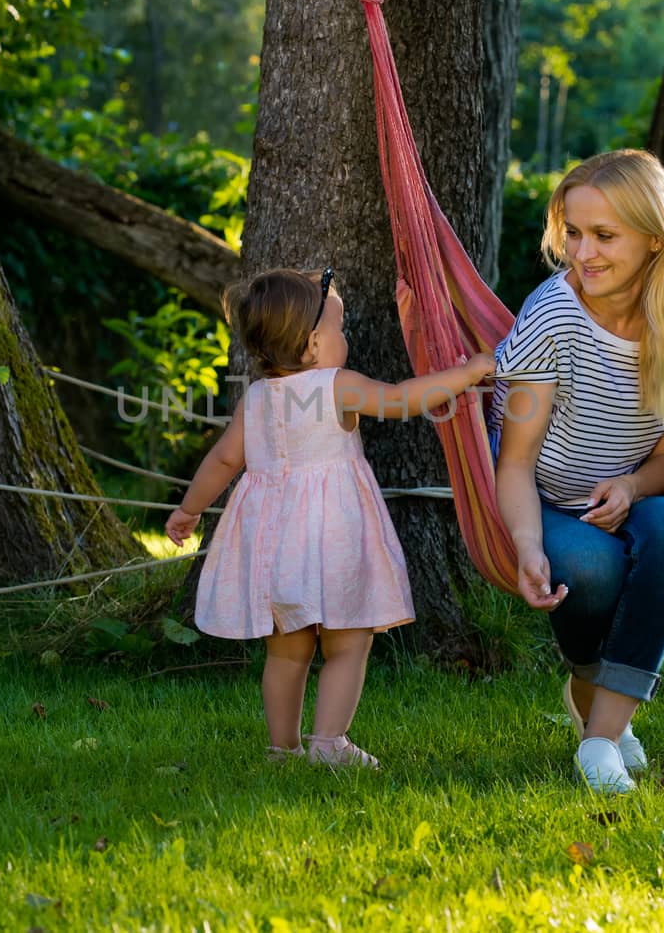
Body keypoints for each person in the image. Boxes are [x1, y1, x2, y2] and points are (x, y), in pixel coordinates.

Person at [166, 267, 494, 769]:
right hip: (334, 542)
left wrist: (190, 509)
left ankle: (283, 748)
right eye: (339, 331)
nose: (346, 341)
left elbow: (224, 461)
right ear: (314, 345)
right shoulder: (335, 384)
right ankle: (329, 743)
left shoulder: (255, 398)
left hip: (276, 550)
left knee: (286, 654)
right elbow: (404, 398)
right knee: (347, 644)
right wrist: (468, 373)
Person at [492, 149, 664, 794]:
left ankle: (599, 739)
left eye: (604, 235)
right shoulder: (554, 315)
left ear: (653, 239)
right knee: (594, 567)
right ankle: (597, 698)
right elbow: (513, 460)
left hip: (624, 497)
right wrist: (528, 545)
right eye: (574, 233)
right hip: (546, 501)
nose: (583, 252)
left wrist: (631, 486)